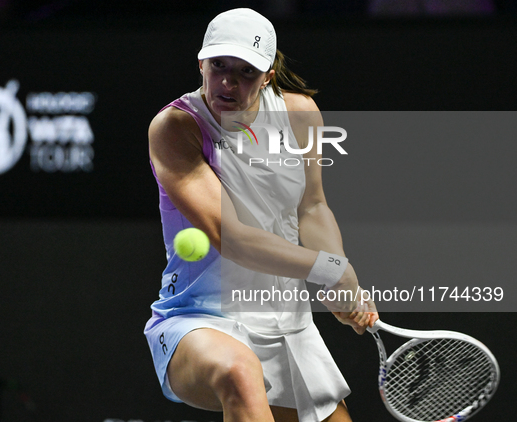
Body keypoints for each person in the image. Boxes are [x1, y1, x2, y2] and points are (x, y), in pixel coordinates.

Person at [144, 8, 378, 422]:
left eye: (246, 71)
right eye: (218, 66)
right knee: (239, 371)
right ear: (201, 63)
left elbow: (312, 207)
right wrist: (329, 269)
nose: (228, 83)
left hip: (287, 322)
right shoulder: (176, 127)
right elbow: (230, 236)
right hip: (198, 320)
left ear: (268, 74)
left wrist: (340, 279)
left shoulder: (299, 114)